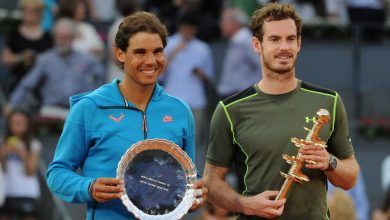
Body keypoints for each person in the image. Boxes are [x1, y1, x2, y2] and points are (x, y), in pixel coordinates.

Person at [203, 3, 359, 219]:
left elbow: (350, 177)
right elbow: (211, 181)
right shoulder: (230, 110)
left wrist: (330, 162)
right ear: (257, 44)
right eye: (274, 39)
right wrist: (245, 204)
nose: (284, 47)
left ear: (299, 43)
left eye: (290, 39)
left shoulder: (329, 101)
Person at [46, 11, 207, 219]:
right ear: (120, 54)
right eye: (140, 52)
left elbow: (188, 176)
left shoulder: (180, 111)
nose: (151, 61)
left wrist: (196, 194)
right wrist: (88, 187)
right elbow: (57, 172)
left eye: (158, 51)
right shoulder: (90, 107)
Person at [8, 18, 104, 118]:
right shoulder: (45, 59)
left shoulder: (87, 60)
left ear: (72, 38)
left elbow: (100, 79)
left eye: (65, 38)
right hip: (51, 110)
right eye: (58, 38)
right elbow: (27, 84)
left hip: (77, 111)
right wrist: (12, 104)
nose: (61, 41)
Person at [161, 9, 214, 149]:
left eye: (192, 28)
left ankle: (190, 170)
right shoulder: (168, 44)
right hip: (172, 99)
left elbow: (210, 78)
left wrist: (201, 73)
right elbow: (159, 73)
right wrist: (173, 53)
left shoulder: (203, 48)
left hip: (196, 101)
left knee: (192, 143)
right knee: (170, 140)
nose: (188, 31)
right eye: (186, 28)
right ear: (180, 27)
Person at [1, 0, 53, 97]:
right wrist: (21, 57)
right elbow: (5, 59)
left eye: (33, 12)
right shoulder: (14, 35)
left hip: (42, 83)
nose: (29, 16)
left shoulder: (48, 37)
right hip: (18, 80)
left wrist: (40, 59)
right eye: (26, 12)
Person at [0, 110, 42, 220]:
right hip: (5, 191)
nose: (16, 127)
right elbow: (2, 169)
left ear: (27, 125)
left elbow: (30, 171)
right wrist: (2, 154)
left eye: (20, 123)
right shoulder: (3, 143)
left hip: (27, 192)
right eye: (13, 123)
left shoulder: (33, 144)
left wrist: (23, 154)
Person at [217, 7, 261, 100]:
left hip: (240, 96)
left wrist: (252, 92)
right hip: (231, 95)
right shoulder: (236, 40)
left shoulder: (245, 41)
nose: (221, 24)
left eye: (224, 21)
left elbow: (261, 65)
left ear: (234, 23)